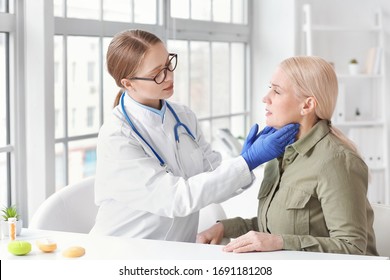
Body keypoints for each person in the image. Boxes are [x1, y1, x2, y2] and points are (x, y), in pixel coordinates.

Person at [89, 29, 299, 242]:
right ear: (128, 83)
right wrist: (247, 161)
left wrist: (244, 162)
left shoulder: (183, 116)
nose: (169, 76)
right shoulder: (117, 136)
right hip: (124, 250)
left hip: (178, 250)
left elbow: (213, 174)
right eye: (157, 74)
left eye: (168, 64)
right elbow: (175, 199)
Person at [197, 56, 378, 255]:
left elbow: (352, 248)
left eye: (277, 91)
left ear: (307, 105)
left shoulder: (337, 161)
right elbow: (278, 227)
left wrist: (279, 242)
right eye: (270, 88)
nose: (265, 98)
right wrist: (226, 227)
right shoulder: (281, 154)